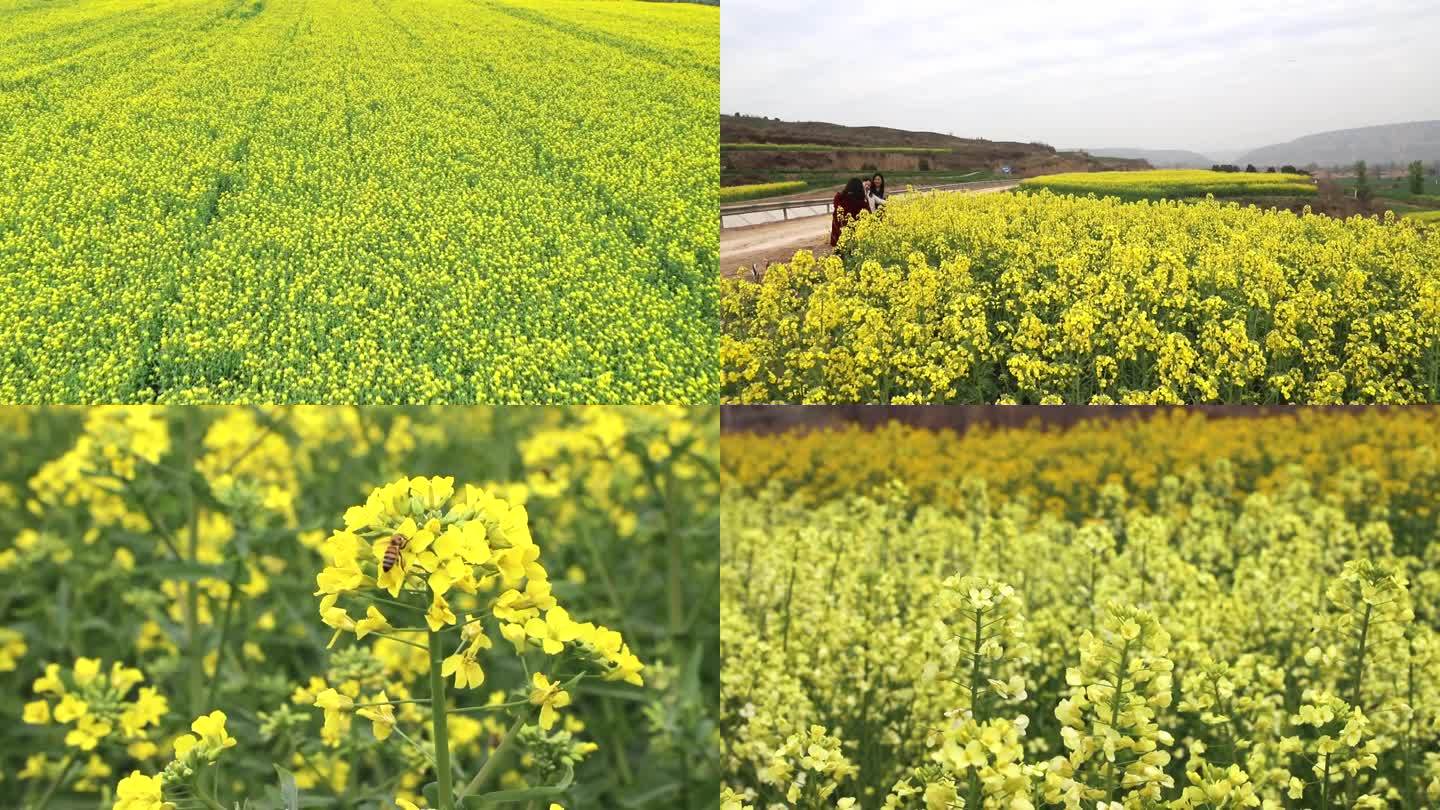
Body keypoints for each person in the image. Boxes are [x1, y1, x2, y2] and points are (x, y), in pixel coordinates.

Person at [831, 178, 869, 247]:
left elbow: (836, 220)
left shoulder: (840, 200)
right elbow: (867, 220)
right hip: (856, 241)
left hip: (839, 238)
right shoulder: (862, 203)